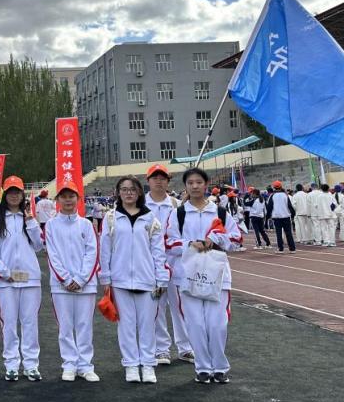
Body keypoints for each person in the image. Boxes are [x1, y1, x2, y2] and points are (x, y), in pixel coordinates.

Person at [165, 167, 241, 384]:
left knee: (217, 324)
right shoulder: (178, 214)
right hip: (188, 277)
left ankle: (220, 367)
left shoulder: (220, 213)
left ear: (206, 185)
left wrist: (215, 240)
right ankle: (203, 368)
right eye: (190, 183)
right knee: (195, 324)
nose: (195, 186)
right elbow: (168, 242)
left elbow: (236, 240)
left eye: (199, 182)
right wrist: (190, 244)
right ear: (185, 186)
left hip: (217, 276)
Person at [99, 175, 169, 384]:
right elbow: (105, 250)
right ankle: (130, 364)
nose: (128, 193)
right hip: (120, 281)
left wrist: (161, 279)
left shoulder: (150, 219)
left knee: (147, 325)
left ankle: (148, 365)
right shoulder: (111, 218)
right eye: (124, 189)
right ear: (118, 193)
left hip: (147, 281)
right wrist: (106, 277)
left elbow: (158, 252)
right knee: (126, 326)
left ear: (139, 192)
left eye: (132, 189)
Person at [0, 176, 45, 381]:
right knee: (9, 323)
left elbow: (39, 246)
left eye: (17, 192)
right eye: (10, 191)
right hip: (7, 281)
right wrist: (5, 273)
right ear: (5, 194)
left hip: (30, 279)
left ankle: (31, 365)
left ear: (22, 195)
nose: (14, 195)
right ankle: (11, 364)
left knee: (30, 323)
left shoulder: (28, 218)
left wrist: (31, 222)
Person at [44, 181, 100, 382]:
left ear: (78, 199)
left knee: (85, 325)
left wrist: (81, 279)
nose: (68, 200)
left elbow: (92, 253)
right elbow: (52, 254)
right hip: (61, 286)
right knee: (65, 327)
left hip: (86, 285)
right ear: (57, 200)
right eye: (64, 196)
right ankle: (69, 364)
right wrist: (66, 279)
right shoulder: (51, 225)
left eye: (71, 196)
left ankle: (85, 365)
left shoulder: (86, 224)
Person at [143, 163, 190, 366]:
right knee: (157, 305)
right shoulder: (141, 205)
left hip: (175, 261)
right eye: (155, 177)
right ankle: (161, 349)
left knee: (180, 306)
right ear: (148, 181)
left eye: (163, 178)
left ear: (168, 181)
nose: (159, 181)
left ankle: (185, 348)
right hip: (151, 263)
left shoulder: (177, 205)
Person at [265, 181, 296, 252]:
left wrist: (267, 217)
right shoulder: (285, 195)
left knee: (279, 233)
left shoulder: (272, 196)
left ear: (274, 187)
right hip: (286, 216)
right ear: (281, 186)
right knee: (288, 233)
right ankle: (292, 249)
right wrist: (293, 214)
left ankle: (280, 249)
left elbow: (269, 207)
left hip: (277, 217)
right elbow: (290, 206)